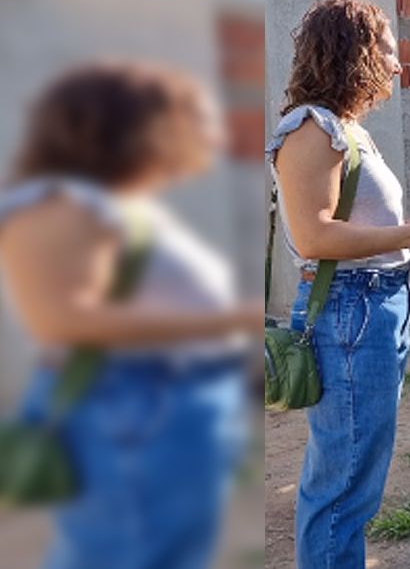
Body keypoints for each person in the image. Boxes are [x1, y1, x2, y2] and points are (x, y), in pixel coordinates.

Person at [0, 60, 259, 568]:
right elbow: (63, 320)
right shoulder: (61, 203)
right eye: (195, 118)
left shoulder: (117, 205)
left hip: (158, 405)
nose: (213, 134)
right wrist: (230, 320)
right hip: (132, 406)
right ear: (136, 125)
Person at [267, 0, 410, 568]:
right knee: (343, 479)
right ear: (355, 52)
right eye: (388, 51)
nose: (397, 66)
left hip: (376, 305)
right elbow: (316, 236)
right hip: (352, 308)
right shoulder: (311, 128)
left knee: (357, 471)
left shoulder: (348, 130)